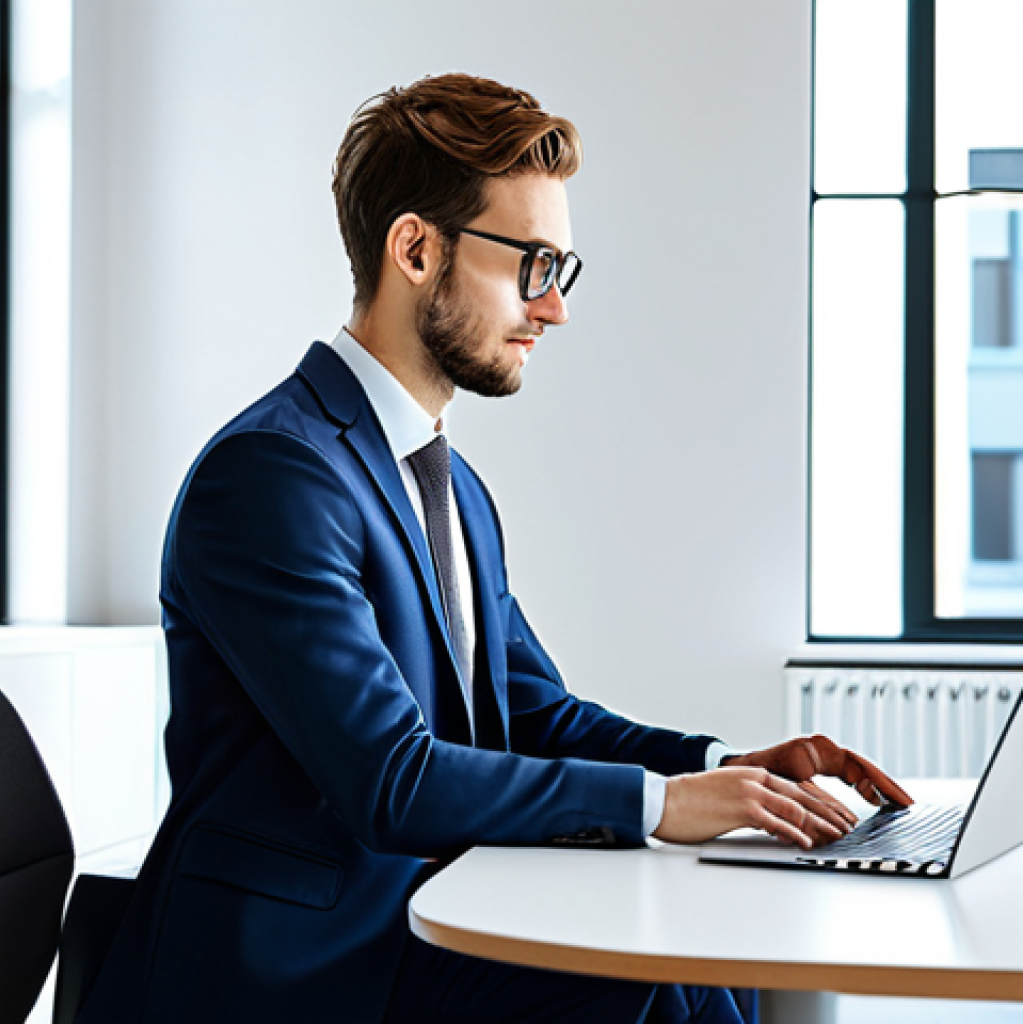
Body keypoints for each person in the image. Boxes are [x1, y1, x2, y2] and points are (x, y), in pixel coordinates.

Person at [78, 73, 911, 1024]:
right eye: (534, 265)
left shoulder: (451, 485)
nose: (553, 309)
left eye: (562, 271)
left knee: (704, 958)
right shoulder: (274, 474)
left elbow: (529, 712)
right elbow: (391, 779)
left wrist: (721, 769)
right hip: (305, 967)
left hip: (427, 923)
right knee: (650, 983)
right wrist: (661, 806)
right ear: (416, 248)